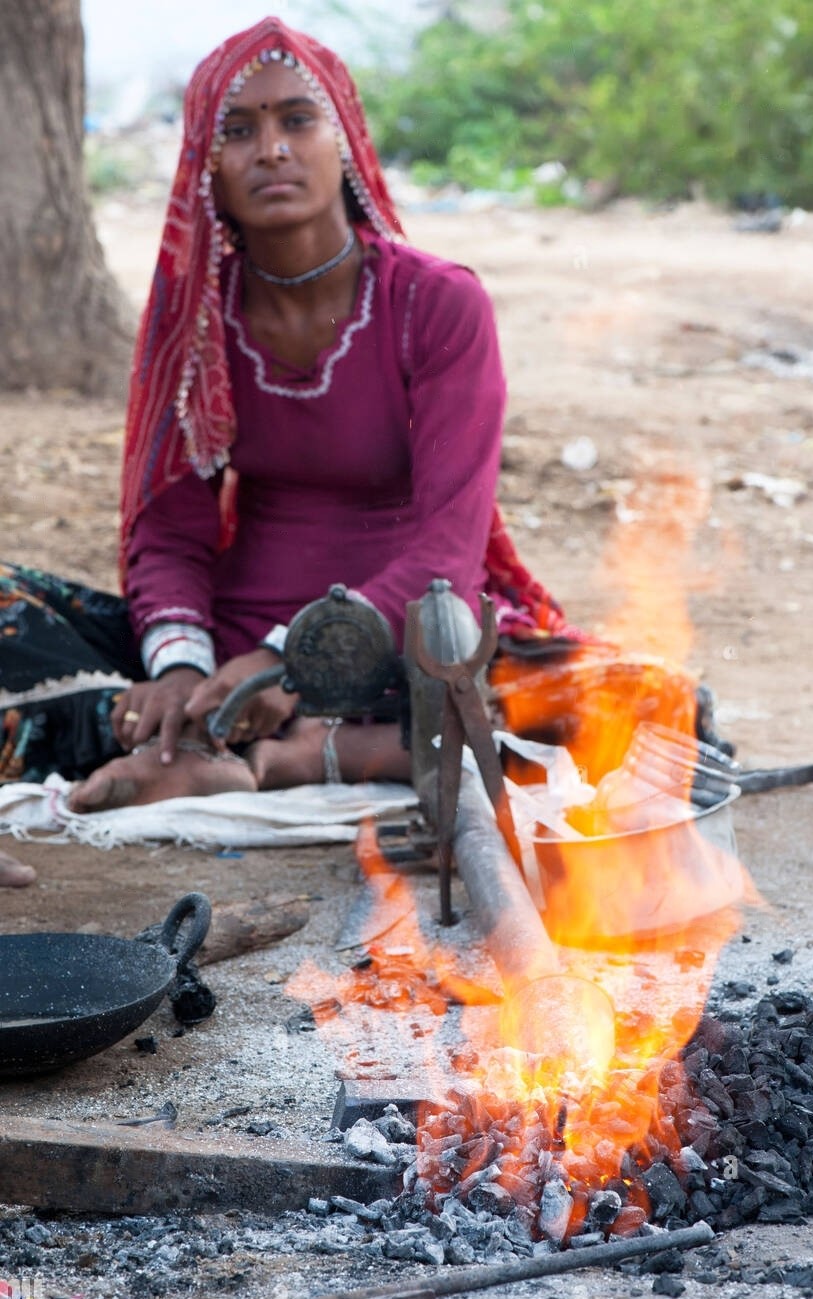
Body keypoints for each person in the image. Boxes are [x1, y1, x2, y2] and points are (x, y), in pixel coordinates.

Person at [0, 16, 579, 883]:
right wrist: (183, 665)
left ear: (343, 141)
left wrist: (289, 661)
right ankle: (195, 732)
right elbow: (169, 529)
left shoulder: (438, 304)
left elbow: (447, 554)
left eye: (296, 120)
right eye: (238, 130)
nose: (271, 149)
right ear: (209, 171)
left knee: (617, 701)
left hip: (402, 646)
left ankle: (277, 758)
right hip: (227, 654)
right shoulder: (196, 321)